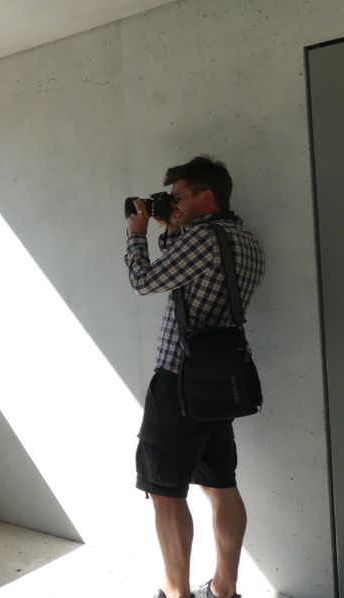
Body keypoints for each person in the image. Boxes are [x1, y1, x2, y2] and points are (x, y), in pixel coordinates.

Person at [124, 156, 265, 598]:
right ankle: (224, 590)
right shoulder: (246, 241)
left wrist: (136, 235)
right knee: (221, 485)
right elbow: (187, 279)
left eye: (179, 197)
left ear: (207, 197)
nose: (174, 204)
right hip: (218, 382)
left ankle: (176, 594)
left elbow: (146, 281)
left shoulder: (203, 238)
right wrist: (171, 229)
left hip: (179, 380)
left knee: (165, 492)